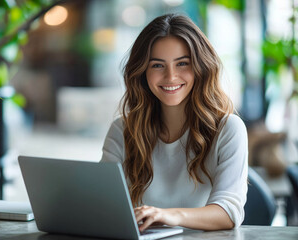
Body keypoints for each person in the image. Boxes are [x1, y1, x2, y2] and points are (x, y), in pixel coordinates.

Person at [100, 14, 248, 231]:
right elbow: (101, 203)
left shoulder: (228, 129)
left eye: (182, 63)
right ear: (142, 72)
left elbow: (229, 212)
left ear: (201, 67)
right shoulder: (122, 130)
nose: (171, 76)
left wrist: (167, 215)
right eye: (158, 65)